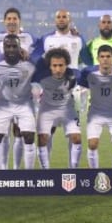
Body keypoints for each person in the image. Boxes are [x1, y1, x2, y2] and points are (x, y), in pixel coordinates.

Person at [30, 9, 92, 166]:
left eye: (65, 17)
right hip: (51, 86)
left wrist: (77, 74)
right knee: (47, 133)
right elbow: (35, 56)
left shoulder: (78, 39)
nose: (62, 19)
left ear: (70, 20)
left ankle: (73, 169)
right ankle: (47, 170)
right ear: (55, 20)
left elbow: (88, 60)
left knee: (74, 134)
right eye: (59, 17)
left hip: (72, 88)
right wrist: (45, 66)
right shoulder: (47, 39)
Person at [0, 7, 37, 170]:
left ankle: (18, 169)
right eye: (9, 19)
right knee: (2, 134)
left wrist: (30, 56)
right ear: (4, 21)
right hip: (2, 85)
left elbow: (42, 48)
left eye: (15, 18)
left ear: (20, 21)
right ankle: (2, 169)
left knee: (20, 133)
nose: (12, 21)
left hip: (22, 83)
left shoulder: (29, 37)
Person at [78, 45, 112, 168]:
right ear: (98, 58)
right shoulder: (88, 72)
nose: (105, 59)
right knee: (93, 144)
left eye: (108, 56)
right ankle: (95, 174)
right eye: (102, 56)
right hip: (95, 113)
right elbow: (80, 81)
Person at [32, 48, 82, 169]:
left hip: (67, 109)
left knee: (76, 138)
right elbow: (32, 64)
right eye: (54, 65)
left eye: (61, 65)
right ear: (49, 66)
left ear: (66, 65)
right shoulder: (41, 76)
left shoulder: (75, 75)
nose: (58, 69)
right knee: (42, 138)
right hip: (47, 109)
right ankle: (46, 171)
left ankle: (74, 169)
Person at [87, 14, 112, 118]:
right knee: (93, 128)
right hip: (96, 89)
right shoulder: (92, 44)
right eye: (104, 22)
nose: (106, 25)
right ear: (99, 25)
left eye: (109, 22)